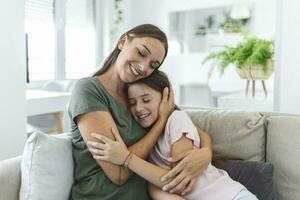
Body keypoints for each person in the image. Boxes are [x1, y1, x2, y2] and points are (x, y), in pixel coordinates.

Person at [68, 24, 212, 199]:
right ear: (122, 41)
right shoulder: (89, 90)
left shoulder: (140, 92)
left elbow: (187, 125)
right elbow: (118, 173)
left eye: (153, 65)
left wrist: (206, 153)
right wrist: (160, 122)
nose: (144, 68)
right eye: (141, 53)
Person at [87, 70, 259, 200]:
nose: (139, 108)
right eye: (132, 103)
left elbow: (178, 181)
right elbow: (157, 185)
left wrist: (126, 158)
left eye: (146, 100)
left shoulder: (177, 119)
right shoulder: (144, 136)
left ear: (166, 96)